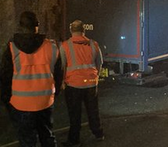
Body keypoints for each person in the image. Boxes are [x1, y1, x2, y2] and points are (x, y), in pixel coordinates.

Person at [0, 11, 63, 147]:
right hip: (45, 102)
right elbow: (59, 74)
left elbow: (5, 77)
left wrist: (7, 101)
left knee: (27, 140)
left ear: (21, 26)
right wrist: (53, 94)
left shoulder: (11, 48)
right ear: (37, 26)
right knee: (47, 137)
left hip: (21, 104)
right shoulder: (52, 47)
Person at [60, 20, 104, 147]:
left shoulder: (65, 46)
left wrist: (63, 81)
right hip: (90, 83)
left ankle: (74, 140)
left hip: (73, 85)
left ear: (71, 31)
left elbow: (62, 66)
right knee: (93, 110)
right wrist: (95, 77)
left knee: (75, 113)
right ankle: (98, 133)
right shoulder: (93, 44)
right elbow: (99, 62)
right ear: (83, 30)